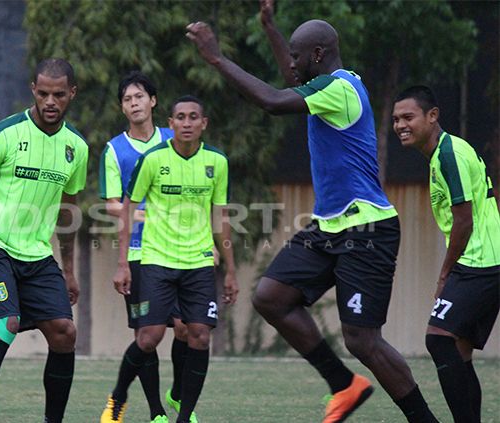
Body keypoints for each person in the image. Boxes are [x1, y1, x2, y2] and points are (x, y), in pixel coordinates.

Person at [186, 2, 438, 422]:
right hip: (330, 226)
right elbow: (290, 76)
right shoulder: (327, 84)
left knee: (363, 340)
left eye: (299, 56)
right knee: (271, 297)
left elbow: (271, 99)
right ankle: (344, 385)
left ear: (318, 55)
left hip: (367, 228)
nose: (293, 63)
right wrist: (270, 28)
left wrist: (216, 57)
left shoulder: (338, 89)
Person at [0, 58, 88, 423]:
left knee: (65, 333)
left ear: (71, 94)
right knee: (4, 325)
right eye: (43, 92)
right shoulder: (4, 133)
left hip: (37, 255)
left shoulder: (76, 146)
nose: (50, 101)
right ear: (33, 89)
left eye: (58, 94)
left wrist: (70, 271)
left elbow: (67, 212)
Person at [101, 95, 239, 423]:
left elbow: (220, 217)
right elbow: (129, 209)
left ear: (203, 123)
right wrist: (123, 263)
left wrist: (231, 269)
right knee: (149, 338)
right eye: (181, 117)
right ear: (171, 123)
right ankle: (119, 396)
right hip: (156, 260)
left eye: (194, 117)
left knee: (199, 335)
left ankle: (183, 415)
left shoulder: (217, 162)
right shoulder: (153, 159)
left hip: (199, 263)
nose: (187, 123)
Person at [393, 85, 500, 423]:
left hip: (480, 262)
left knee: (438, 340)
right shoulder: (446, 152)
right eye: (396, 119)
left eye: (408, 117)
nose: (400, 125)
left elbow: (464, 220)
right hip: (485, 259)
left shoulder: (449, 154)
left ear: (432, 116)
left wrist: (444, 275)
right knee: (459, 351)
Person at [99, 71, 194, 422]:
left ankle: (179, 396)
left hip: (181, 250)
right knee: (148, 336)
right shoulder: (115, 149)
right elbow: (111, 203)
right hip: (140, 253)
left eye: (139, 96)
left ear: (153, 101)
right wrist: (146, 212)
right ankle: (156, 413)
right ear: (123, 108)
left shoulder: (175, 139)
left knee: (187, 327)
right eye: (127, 99)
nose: (134, 103)